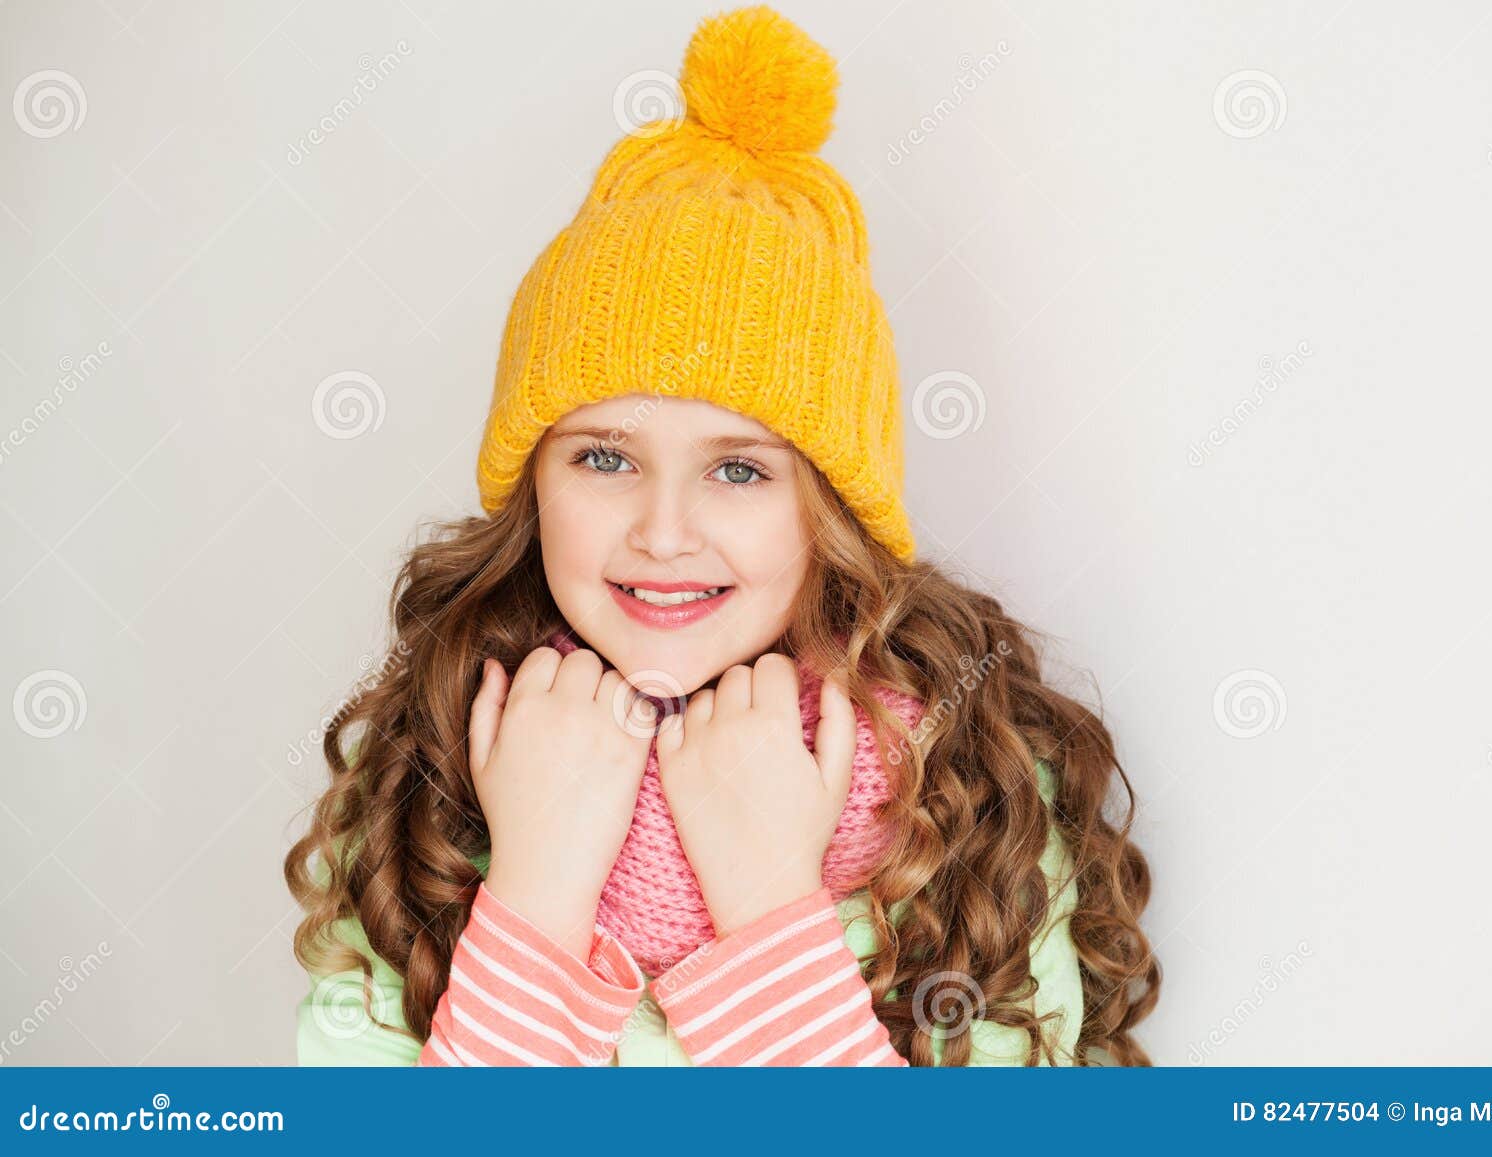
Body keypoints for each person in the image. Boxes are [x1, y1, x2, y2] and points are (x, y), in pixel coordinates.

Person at [283, 3, 1159, 1067]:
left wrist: (767, 903)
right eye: (604, 457)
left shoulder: (975, 779)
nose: (661, 532)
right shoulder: (427, 758)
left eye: (739, 469)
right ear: (533, 484)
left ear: (832, 508)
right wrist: (537, 889)